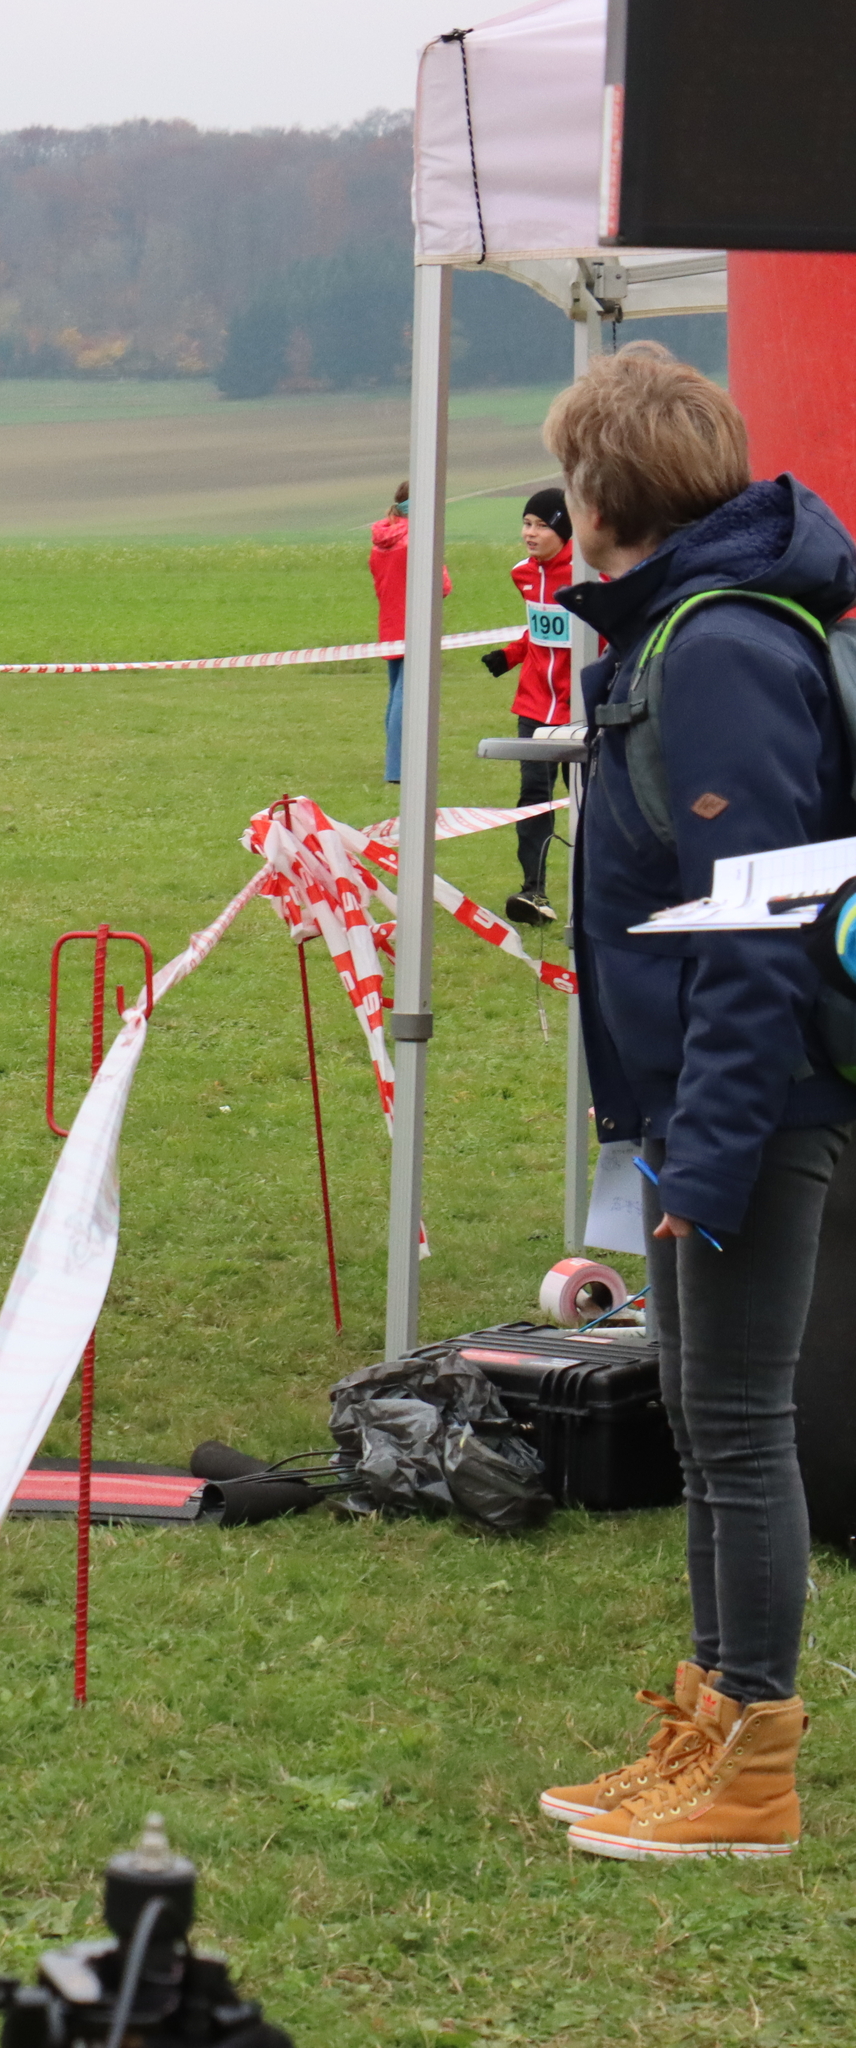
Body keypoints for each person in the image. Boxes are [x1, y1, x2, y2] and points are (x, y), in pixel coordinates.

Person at [535, 344, 856, 1862]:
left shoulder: (720, 646)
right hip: (699, 1103)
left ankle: (754, 1769)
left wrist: (711, 1154)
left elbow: (759, 924)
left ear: (609, 489)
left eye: (569, 481)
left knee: (735, 1421)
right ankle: (712, 1724)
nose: (561, 509)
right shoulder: (679, 630)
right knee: (698, 1410)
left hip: (756, 1102)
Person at [479, 487, 577, 926]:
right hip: (535, 706)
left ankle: (594, 890)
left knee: (588, 802)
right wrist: (510, 655)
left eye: (540, 525)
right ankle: (533, 892)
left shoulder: (588, 575)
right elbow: (538, 631)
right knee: (534, 798)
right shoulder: (522, 574)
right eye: (526, 523)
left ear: (564, 530)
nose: (529, 533)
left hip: (580, 708)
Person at [367, 481, 453, 786]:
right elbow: (443, 586)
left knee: (396, 695)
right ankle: (398, 768)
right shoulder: (419, 540)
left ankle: (397, 761)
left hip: (390, 625)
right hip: (416, 627)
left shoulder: (381, 541)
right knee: (408, 696)